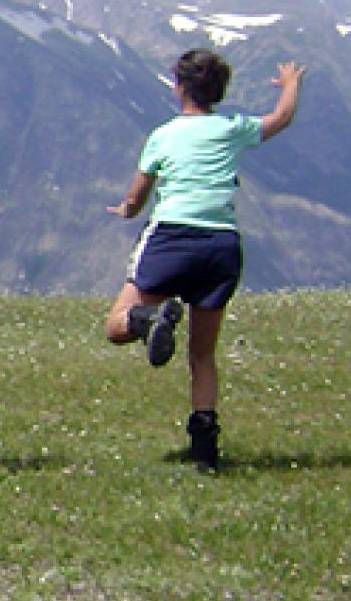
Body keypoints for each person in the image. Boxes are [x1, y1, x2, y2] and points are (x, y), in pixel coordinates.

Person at [104, 48, 306, 472]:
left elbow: (138, 195)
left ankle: (145, 321)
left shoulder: (163, 136)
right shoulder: (233, 129)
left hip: (173, 237)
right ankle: (205, 450)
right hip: (221, 245)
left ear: (179, 88)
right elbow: (280, 119)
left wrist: (125, 209)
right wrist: (290, 86)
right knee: (203, 354)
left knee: (115, 325)